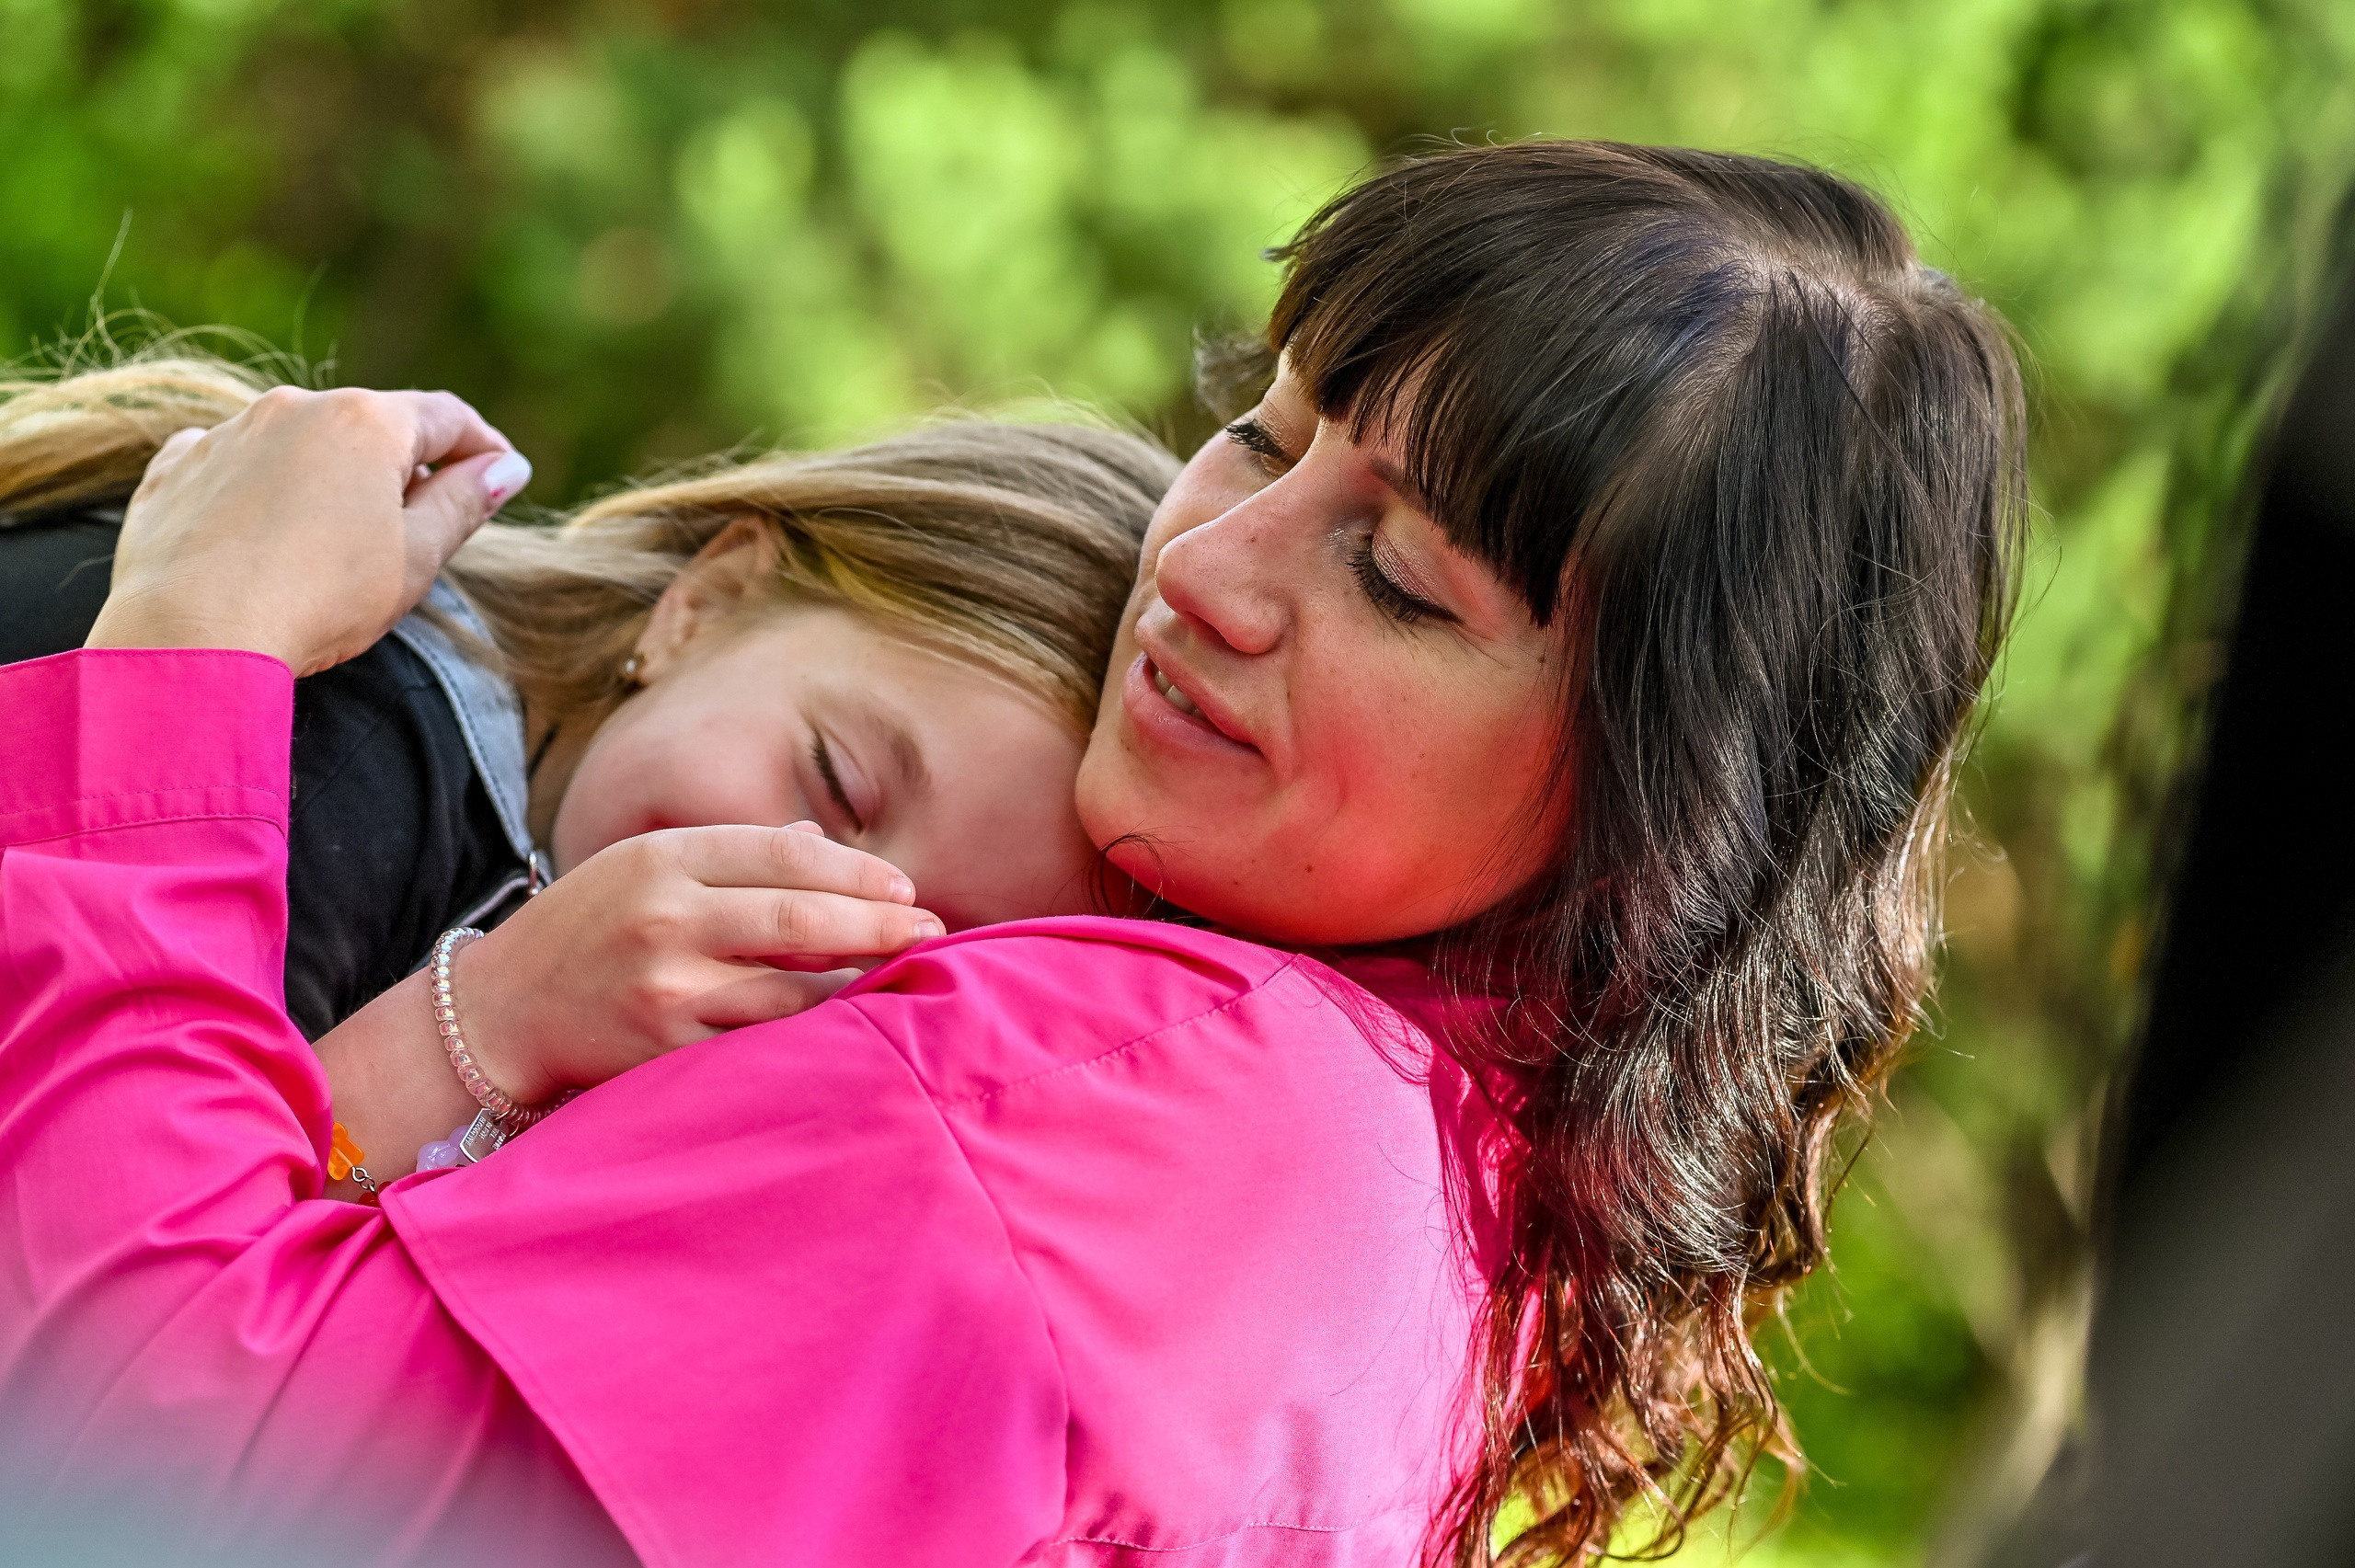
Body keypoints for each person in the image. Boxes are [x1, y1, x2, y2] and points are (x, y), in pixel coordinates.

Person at [0, 141, 2026, 1565]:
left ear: (1640, 821)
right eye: (1260, 430)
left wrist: (183, 664)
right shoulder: (1390, 1197)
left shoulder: (1137, 1123)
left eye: (1398, 582)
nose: (1207, 568)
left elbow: (134, 1452)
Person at [0, 358, 1173, 1042]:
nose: (800, 920)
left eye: (904, 952)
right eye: (833, 788)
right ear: (706, 599)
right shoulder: (351, 736)